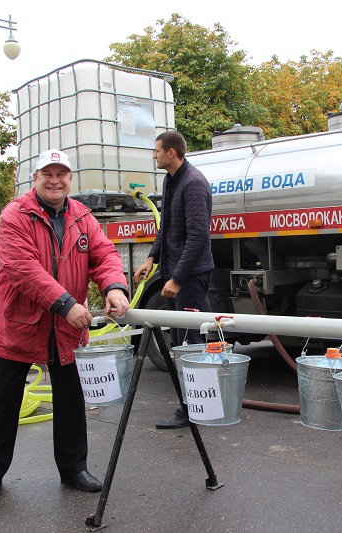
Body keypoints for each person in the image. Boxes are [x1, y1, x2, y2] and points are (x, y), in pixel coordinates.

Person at [0, 149, 130, 502]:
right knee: (4, 401)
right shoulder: (15, 215)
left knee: (72, 401)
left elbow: (104, 255)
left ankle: (74, 469)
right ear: (36, 178)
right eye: (48, 173)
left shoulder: (81, 216)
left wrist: (115, 287)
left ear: (70, 179)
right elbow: (21, 268)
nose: (55, 180)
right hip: (21, 325)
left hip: (65, 330)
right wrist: (65, 304)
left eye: (62, 174)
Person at [134, 131, 214, 429]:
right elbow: (165, 228)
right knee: (182, 341)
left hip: (192, 276)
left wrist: (178, 279)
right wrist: (151, 259)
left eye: (156, 151)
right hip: (178, 271)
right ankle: (194, 405)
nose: (154, 156)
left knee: (190, 344)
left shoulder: (193, 184)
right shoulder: (171, 180)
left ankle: (193, 410)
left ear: (171, 152)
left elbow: (198, 237)